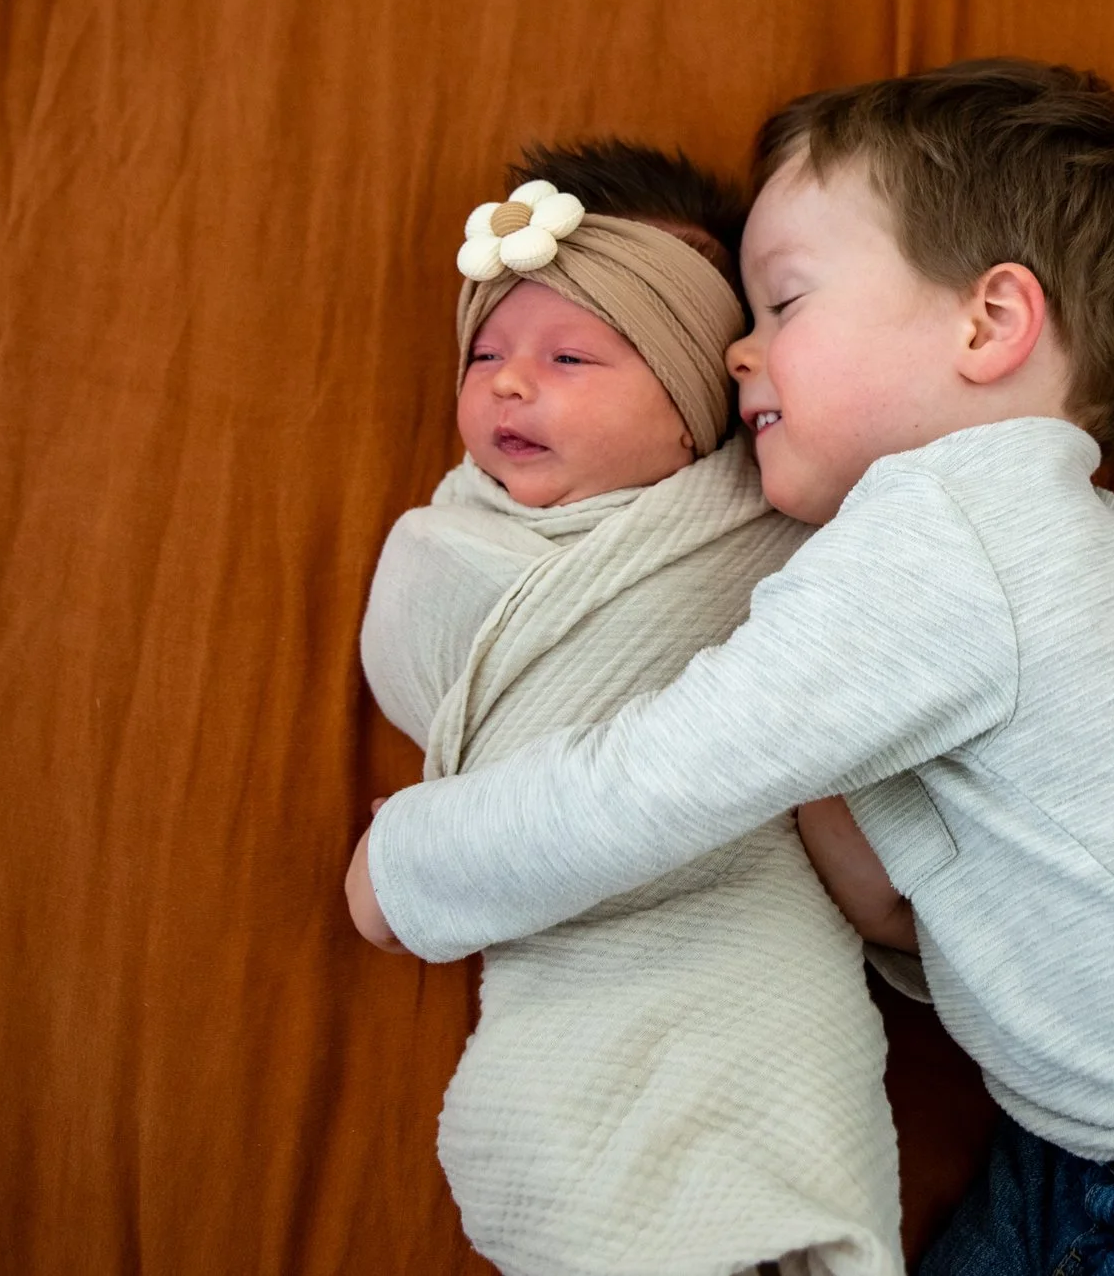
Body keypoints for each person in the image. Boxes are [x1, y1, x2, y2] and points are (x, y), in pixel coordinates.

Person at [350, 65, 1114, 1274]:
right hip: (1094, 1154)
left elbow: (654, 781)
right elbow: (892, 901)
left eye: (782, 303)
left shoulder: (951, 532)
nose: (738, 348)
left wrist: (409, 869)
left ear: (988, 326)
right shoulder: (983, 551)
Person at [354, 140, 901, 1276]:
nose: (509, 383)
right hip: (568, 960)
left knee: (783, 1131)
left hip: (751, 934)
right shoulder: (449, 543)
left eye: (572, 357)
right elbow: (423, 669)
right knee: (562, 1148)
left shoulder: (769, 528)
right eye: (489, 353)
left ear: (702, 395)